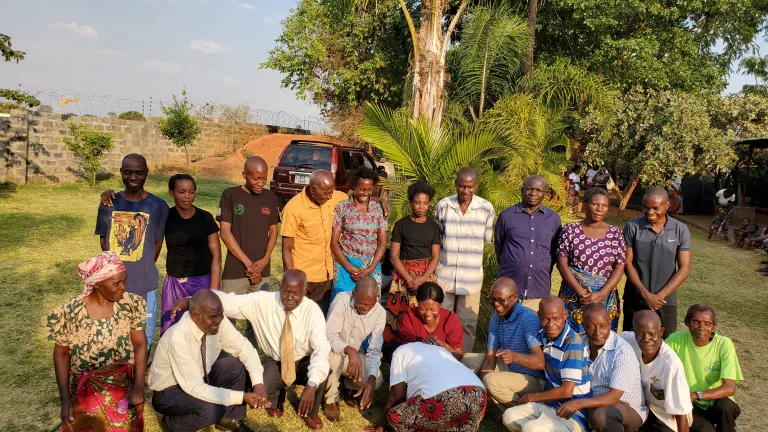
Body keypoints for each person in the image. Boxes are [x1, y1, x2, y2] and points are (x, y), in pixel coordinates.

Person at [172, 269, 331, 429]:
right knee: (262, 387)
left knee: (321, 373)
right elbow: (230, 302)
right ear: (280, 287)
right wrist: (192, 300)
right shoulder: (263, 301)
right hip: (276, 361)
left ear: (304, 291)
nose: (289, 297)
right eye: (286, 291)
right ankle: (278, 395)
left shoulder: (313, 312)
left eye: (295, 293)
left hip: (304, 361)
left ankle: (311, 413)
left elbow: (321, 350)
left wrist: (311, 386)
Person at [47, 252, 147, 432]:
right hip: (85, 390)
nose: (122, 287)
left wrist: (139, 386)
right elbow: (62, 354)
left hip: (123, 386)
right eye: (116, 283)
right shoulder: (69, 313)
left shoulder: (131, 304)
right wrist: (65, 399)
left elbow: (140, 344)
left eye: (124, 281)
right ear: (97, 282)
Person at [149, 290, 268, 432]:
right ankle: (173, 424)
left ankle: (229, 419)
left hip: (200, 377)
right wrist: (242, 397)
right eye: (213, 317)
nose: (219, 320)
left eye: (221, 315)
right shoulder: (179, 338)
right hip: (169, 391)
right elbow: (195, 388)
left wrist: (258, 384)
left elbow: (244, 348)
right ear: (195, 316)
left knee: (234, 366)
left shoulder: (218, 321)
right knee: (212, 410)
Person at [282, 170, 389, 316]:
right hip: (303, 274)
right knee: (297, 316)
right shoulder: (294, 208)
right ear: (313, 189)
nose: (330, 196)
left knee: (321, 318)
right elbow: (286, 248)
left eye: (332, 192)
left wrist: (381, 201)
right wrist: (291, 280)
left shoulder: (334, 198)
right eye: (326, 193)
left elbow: (361, 195)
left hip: (325, 275)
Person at [96, 153, 169, 349]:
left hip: (145, 283)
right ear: (121, 172)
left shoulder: (159, 206)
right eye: (128, 172)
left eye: (139, 173)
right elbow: (104, 240)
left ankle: (139, 373)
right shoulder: (108, 203)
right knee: (114, 333)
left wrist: (142, 266)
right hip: (113, 284)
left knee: (144, 335)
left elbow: (157, 242)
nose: (133, 177)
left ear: (146, 174)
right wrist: (115, 267)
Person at [502, 296, 592, 432]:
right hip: (551, 405)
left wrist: (531, 397)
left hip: (573, 414)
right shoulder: (543, 335)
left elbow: (566, 391)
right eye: (545, 319)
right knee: (508, 416)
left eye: (556, 318)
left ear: (565, 315)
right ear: (538, 316)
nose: (551, 324)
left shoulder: (573, 344)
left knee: (531, 428)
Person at [217, 156, 279, 344]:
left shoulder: (270, 197)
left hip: (263, 271)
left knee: (258, 320)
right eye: (255, 178)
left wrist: (264, 260)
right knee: (228, 320)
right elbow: (225, 233)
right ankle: (227, 365)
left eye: (264, 178)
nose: (260, 183)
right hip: (236, 270)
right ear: (244, 175)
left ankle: (249, 359)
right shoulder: (230, 195)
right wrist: (249, 264)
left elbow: (274, 232)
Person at [434, 167, 495, 353]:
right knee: (442, 320)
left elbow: (487, 239)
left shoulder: (486, 208)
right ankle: (441, 359)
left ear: (476, 185)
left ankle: (464, 362)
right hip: (445, 275)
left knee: (468, 323)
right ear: (456, 184)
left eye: (470, 187)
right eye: (461, 186)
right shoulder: (443, 206)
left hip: (471, 279)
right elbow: (436, 238)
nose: (465, 191)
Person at [461, 277, 546, 409]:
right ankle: (484, 401)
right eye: (492, 299)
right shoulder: (496, 318)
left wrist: (515, 357)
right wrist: (483, 392)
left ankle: (520, 410)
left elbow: (540, 363)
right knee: (467, 360)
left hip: (531, 377)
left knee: (491, 381)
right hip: (510, 367)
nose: (495, 304)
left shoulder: (528, 319)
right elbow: (490, 358)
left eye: (501, 300)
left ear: (515, 297)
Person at [561, 304, 647, 432]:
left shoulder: (622, 351)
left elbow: (613, 397)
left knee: (602, 416)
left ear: (610, 323)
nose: (597, 332)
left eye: (602, 326)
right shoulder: (578, 343)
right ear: (583, 325)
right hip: (591, 404)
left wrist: (577, 404)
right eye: (591, 326)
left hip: (626, 408)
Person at [366, 343, 487, 432]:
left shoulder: (400, 352)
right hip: (479, 395)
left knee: (395, 416)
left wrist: (382, 424)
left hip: (447, 396)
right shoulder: (439, 349)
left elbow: (397, 395)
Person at [623, 187, 692, 339]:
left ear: (667, 206)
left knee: (665, 345)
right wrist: (645, 295)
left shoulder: (680, 229)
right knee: (632, 343)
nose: (650, 212)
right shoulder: (632, 227)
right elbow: (627, 262)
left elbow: (685, 268)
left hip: (665, 301)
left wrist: (659, 296)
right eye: (646, 208)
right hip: (635, 298)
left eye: (655, 208)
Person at [557, 188, 626, 333]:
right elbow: (562, 264)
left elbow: (619, 267)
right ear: (585, 204)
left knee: (599, 338)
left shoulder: (615, 233)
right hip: (573, 296)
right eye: (595, 204)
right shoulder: (570, 229)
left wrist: (601, 293)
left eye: (604, 206)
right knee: (572, 339)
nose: (600, 209)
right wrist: (581, 292)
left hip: (604, 297)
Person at [160, 173, 221, 334]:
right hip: (175, 286)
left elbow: (217, 257)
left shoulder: (205, 218)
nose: (187, 197)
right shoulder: (166, 217)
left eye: (191, 192)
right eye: (182, 192)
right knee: (174, 333)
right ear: (171, 192)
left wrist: (212, 292)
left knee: (202, 331)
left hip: (203, 284)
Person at [666, 305, 743, 432]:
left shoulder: (724, 344)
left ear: (714, 326)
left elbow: (730, 388)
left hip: (713, 402)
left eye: (707, 324)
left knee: (727, 407)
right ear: (687, 322)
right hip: (689, 404)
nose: (702, 328)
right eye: (696, 322)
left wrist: (695, 395)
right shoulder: (675, 339)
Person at [385, 179, 441, 346]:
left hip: (426, 276)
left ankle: (426, 345)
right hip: (403, 275)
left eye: (425, 203)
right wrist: (408, 278)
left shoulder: (433, 226)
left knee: (425, 313)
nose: (421, 207)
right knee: (401, 314)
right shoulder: (401, 225)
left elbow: (436, 256)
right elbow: (394, 255)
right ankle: (397, 349)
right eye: (417, 203)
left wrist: (422, 279)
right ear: (410, 202)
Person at [496, 175, 562, 312]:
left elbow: (555, 251)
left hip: (538, 288)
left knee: (533, 330)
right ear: (522, 190)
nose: (533, 193)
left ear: (545, 193)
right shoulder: (506, 216)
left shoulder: (553, 219)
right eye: (529, 189)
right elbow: (499, 246)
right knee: (506, 329)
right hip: (508, 289)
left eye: (538, 190)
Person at [324, 277, 385, 421]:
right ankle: (331, 399)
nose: (365, 308)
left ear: (376, 299)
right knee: (334, 359)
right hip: (334, 351)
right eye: (362, 303)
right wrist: (349, 350)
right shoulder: (342, 299)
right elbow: (329, 335)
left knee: (377, 379)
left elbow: (374, 349)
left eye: (370, 304)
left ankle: (349, 386)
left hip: (355, 356)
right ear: (354, 293)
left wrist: (370, 379)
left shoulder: (380, 313)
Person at [621, 311, 693, 432]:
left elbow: (681, 412)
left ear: (661, 332)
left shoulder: (671, 364)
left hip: (663, 416)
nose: (646, 339)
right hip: (638, 407)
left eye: (652, 334)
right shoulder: (626, 340)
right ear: (634, 332)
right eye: (640, 334)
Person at [330, 166, 388, 302]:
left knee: (368, 307)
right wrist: (350, 268)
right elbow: (334, 243)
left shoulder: (379, 209)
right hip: (346, 265)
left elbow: (382, 243)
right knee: (340, 304)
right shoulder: (342, 207)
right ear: (354, 186)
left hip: (371, 266)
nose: (366, 194)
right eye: (362, 189)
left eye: (369, 190)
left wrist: (370, 268)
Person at [397, 282, 464, 360]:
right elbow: (404, 354)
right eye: (423, 309)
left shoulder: (450, 320)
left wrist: (443, 346)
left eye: (433, 309)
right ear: (417, 303)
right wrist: (420, 344)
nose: (428, 314)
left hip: (444, 364)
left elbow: (458, 357)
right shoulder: (409, 318)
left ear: (440, 305)